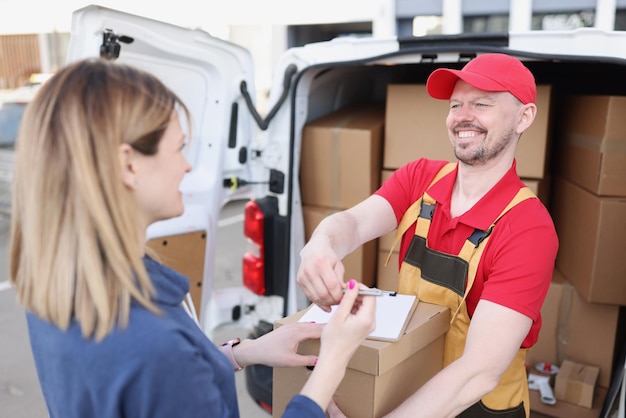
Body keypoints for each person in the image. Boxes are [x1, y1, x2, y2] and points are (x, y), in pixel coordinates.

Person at [9, 58, 375, 418]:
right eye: (180, 147)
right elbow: (164, 370)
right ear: (128, 165)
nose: (187, 165)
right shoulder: (156, 346)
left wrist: (241, 353)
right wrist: (332, 364)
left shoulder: (53, 285)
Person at [297, 53, 558, 418]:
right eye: (456, 104)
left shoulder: (528, 228)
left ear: (524, 117)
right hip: (407, 385)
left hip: (478, 408)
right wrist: (319, 245)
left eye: (482, 103)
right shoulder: (420, 178)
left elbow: (477, 373)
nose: (463, 116)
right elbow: (353, 224)